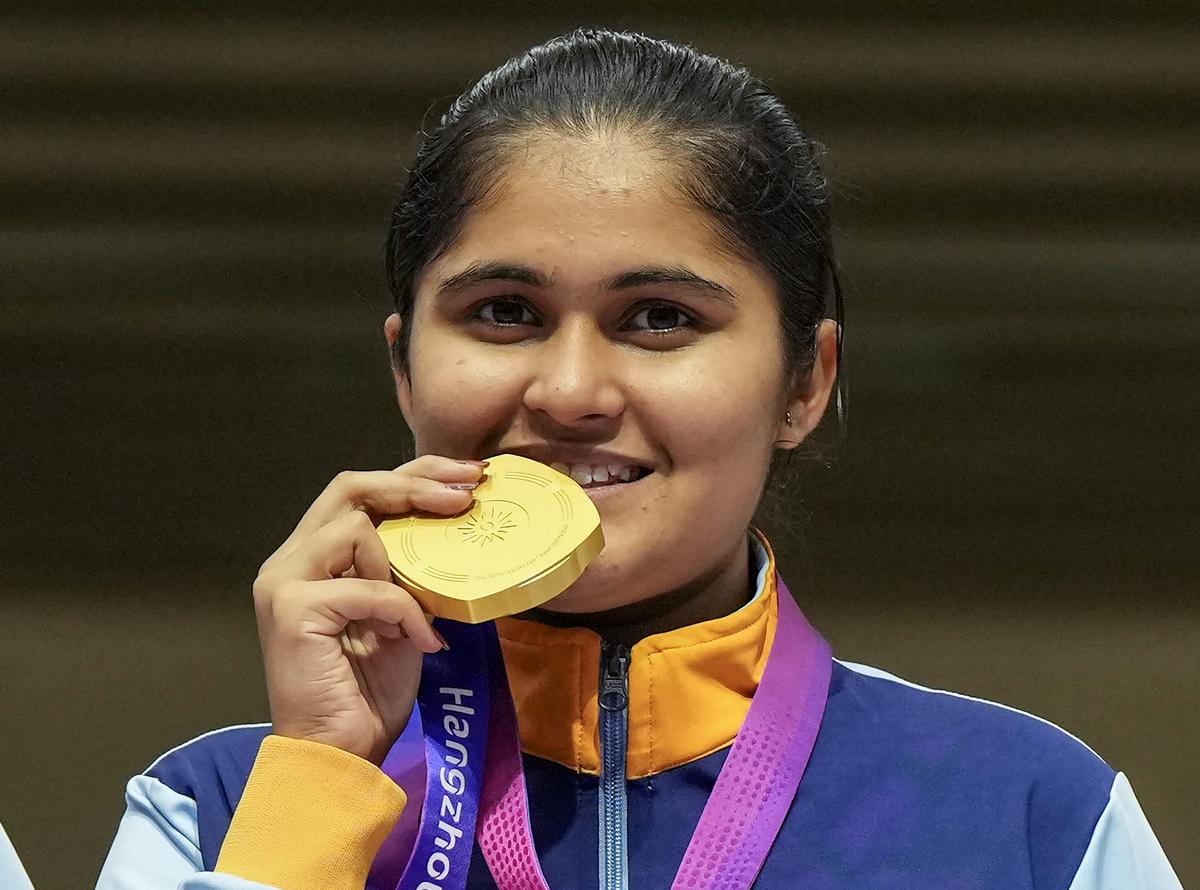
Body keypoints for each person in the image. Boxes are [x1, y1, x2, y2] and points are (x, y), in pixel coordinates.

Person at [97, 28, 1180, 890]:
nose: (569, 391)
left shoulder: (1028, 815)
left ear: (805, 381)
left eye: (660, 316)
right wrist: (321, 790)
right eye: (505, 311)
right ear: (404, 368)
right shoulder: (219, 807)